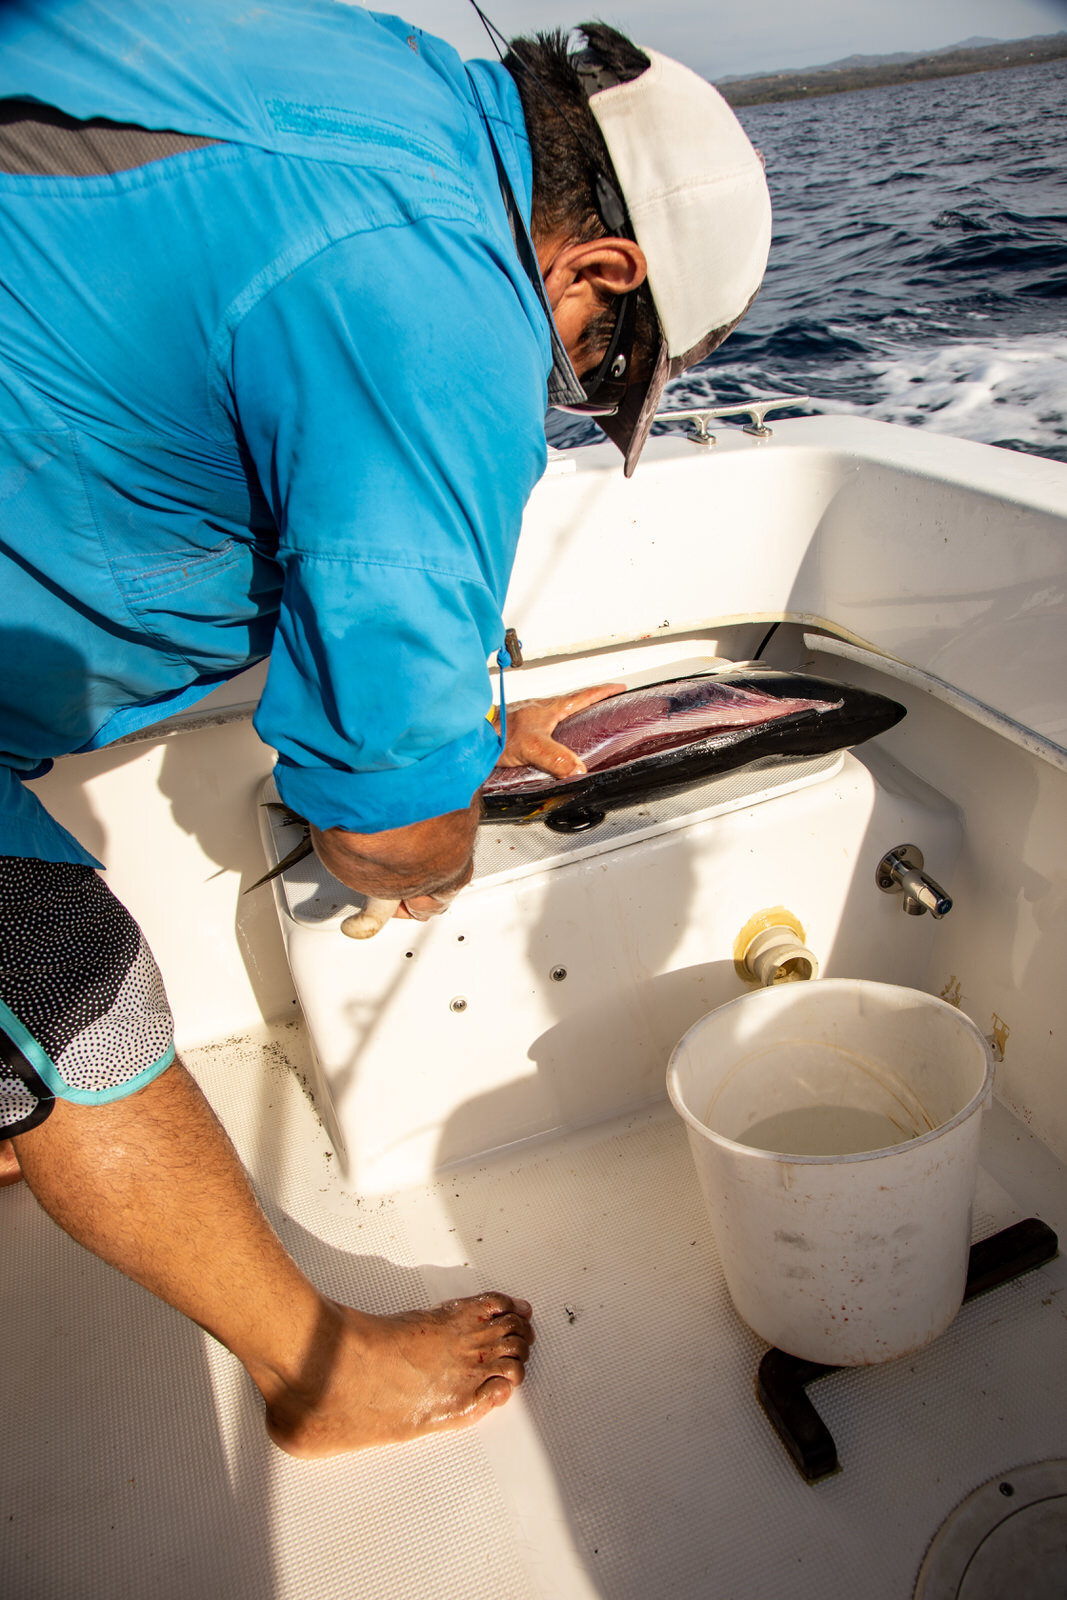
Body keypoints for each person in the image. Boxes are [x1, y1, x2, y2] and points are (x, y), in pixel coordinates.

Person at [0, 2, 771, 1456]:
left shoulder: (381, 79)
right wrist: (435, 838)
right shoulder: (443, 295)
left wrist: (465, 729)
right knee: (70, 988)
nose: (569, 391)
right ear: (599, 264)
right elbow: (378, 839)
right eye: (604, 363)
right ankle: (314, 1375)